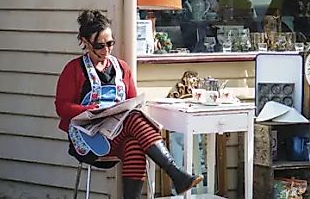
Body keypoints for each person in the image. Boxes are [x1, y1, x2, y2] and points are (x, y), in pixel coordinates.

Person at [55, 10, 202, 198]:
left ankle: (177, 176)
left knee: (134, 143)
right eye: (100, 46)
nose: (106, 50)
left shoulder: (122, 68)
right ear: (85, 42)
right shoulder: (74, 69)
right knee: (133, 119)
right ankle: (176, 174)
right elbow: (62, 107)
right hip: (89, 138)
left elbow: (132, 104)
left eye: (110, 44)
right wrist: (92, 110)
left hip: (116, 134)